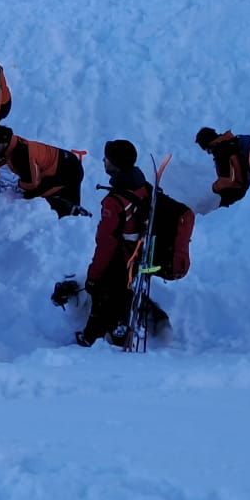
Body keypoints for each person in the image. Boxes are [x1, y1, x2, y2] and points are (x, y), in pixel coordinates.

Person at [77, 139, 161, 348]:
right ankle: (118, 329)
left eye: (107, 158)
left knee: (101, 294)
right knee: (122, 296)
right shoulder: (142, 186)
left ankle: (92, 339)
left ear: (115, 163)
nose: (103, 161)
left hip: (119, 259)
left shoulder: (114, 201)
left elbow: (106, 243)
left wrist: (93, 275)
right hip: (137, 256)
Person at [0, 126, 86, 217]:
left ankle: (71, 214)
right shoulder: (12, 146)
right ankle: (74, 212)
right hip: (68, 163)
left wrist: (19, 184)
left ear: (3, 142)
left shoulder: (21, 154)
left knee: (33, 195)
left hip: (70, 172)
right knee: (41, 191)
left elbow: (32, 183)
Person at [196, 127, 250, 207]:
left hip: (237, 193)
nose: (209, 152)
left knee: (223, 218)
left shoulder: (221, 150)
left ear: (209, 144)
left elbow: (229, 180)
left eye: (207, 150)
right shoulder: (231, 141)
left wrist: (215, 187)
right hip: (249, 184)